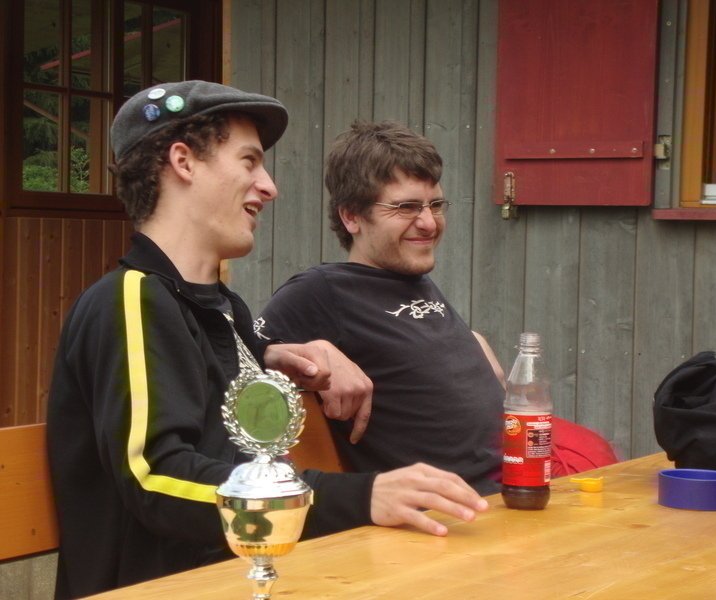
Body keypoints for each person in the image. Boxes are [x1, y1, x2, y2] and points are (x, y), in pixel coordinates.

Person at [46, 83, 487, 600]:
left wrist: (279, 356)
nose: (269, 186)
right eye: (250, 161)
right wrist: (362, 496)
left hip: (254, 577)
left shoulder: (221, 311)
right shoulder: (132, 299)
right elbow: (157, 480)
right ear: (183, 162)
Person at [255, 121, 506, 496]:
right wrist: (290, 353)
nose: (428, 223)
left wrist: (470, 344)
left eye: (436, 205)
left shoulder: (412, 279)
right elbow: (235, 365)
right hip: (441, 511)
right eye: (406, 207)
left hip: (512, 488)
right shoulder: (323, 290)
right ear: (351, 216)